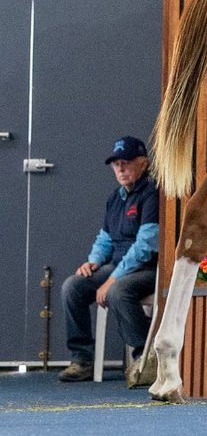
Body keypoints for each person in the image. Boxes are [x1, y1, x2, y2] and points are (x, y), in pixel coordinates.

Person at [59, 136, 159, 385]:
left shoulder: (153, 194)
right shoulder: (116, 198)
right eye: (116, 165)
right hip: (117, 267)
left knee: (118, 291)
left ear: (143, 163)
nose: (120, 169)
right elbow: (105, 238)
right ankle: (81, 359)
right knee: (73, 286)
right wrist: (93, 261)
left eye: (126, 163)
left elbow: (145, 247)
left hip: (149, 269)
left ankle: (144, 360)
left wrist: (112, 279)